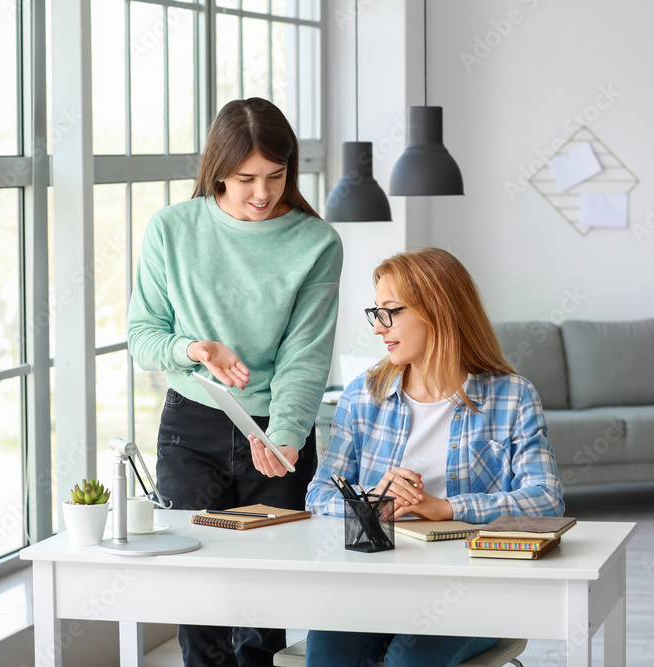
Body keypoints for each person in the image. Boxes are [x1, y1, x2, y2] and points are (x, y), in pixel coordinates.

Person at [127, 97, 343, 667]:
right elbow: (143, 337)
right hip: (191, 426)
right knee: (197, 593)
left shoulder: (316, 244)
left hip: (277, 431)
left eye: (276, 175)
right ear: (217, 168)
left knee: (262, 604)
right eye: (246, 178)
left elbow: (306, 355)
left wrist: (290, 436)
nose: (262, 193)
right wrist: (194, 349)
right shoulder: (172, 230)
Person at [304, 247, 564, 667]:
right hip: (376, 585)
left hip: (473, 590)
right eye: (377, 313)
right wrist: (373, 499)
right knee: (327, 656)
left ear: (436, 310)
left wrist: (445, 508)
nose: (378, 328)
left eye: (391, 312)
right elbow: (317, 495)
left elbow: (546, 499)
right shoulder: (362, 395)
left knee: (408, 663)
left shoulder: (511, 396)